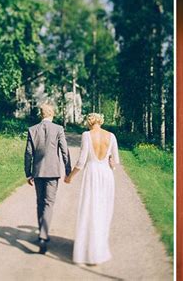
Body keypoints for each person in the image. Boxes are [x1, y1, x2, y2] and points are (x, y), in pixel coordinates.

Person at [65, 113, 120, 265]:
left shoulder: (86, 135)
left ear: (90, 122)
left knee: (90, 209)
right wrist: (110, 163)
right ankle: (98, 250)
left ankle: (88, 251)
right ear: (100, 121)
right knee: (103, 211)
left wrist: (70, 176)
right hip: (106, 175)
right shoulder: (112, 136)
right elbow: (115, 161)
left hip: (92, 174)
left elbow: (81, 161)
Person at [24, 103, 71, 254]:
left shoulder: (33, 130)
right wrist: (68, 170)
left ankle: (41, 234)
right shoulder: (58, 129)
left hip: (38, 172)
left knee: (40, 202)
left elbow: (28, 153)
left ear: (41, 114)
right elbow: (64, 150)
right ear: (52, 114)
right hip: (53, 172)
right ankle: (44, 236)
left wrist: (28, 172)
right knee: (49, 203)